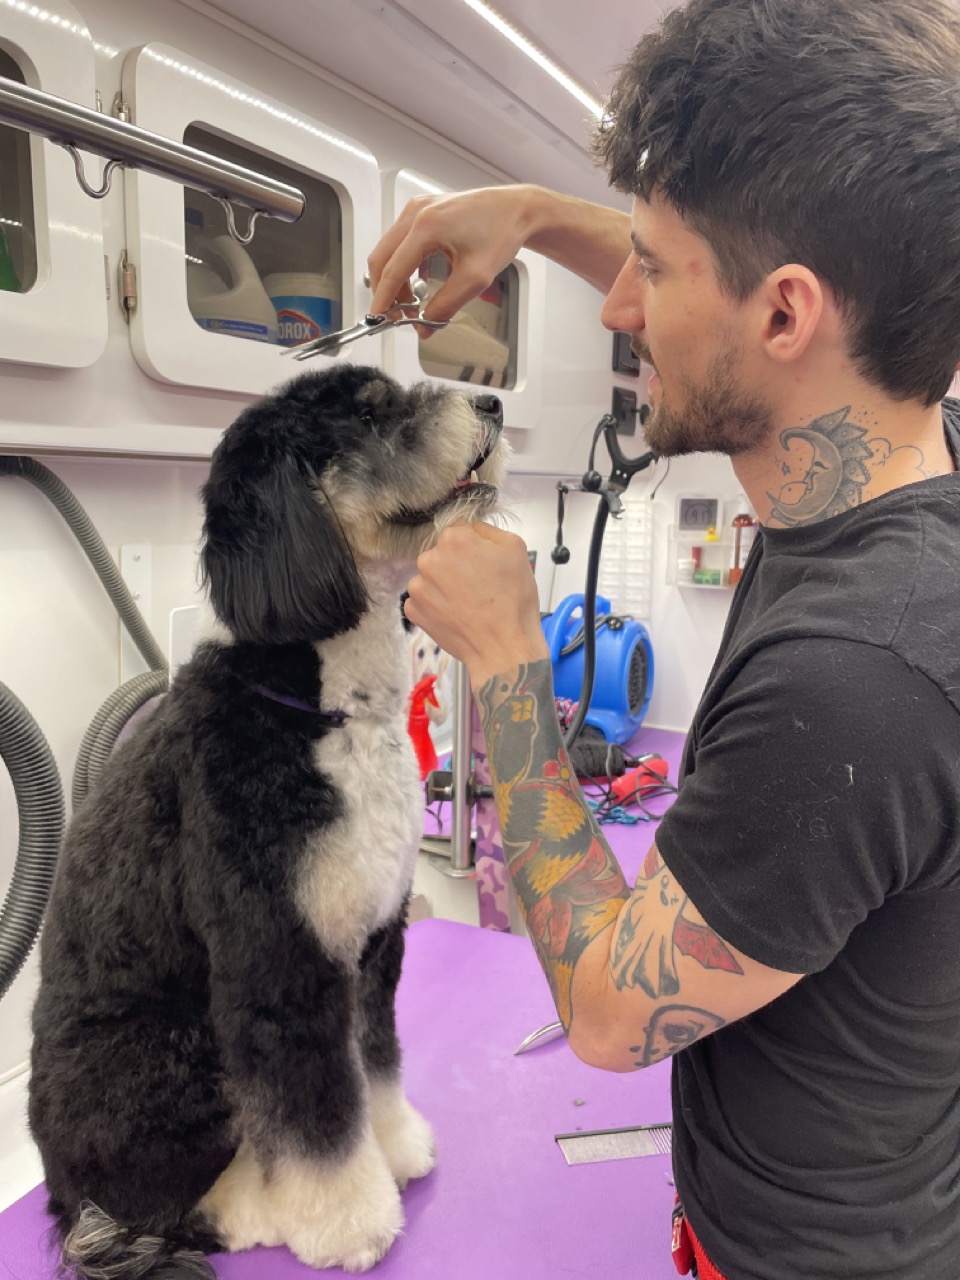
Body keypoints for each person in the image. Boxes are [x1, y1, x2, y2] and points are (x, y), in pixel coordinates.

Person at [367, 1, 960, 1276]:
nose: (618, 305)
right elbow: (731, 277)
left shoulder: (856, 679)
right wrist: (531, 212)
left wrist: (510, 665)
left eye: (650, 262)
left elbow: (608, 1013)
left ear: (788, 315)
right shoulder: (905, 468)